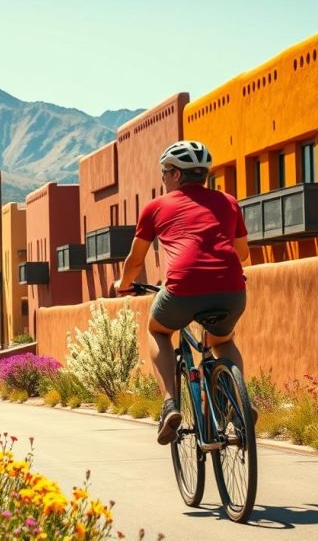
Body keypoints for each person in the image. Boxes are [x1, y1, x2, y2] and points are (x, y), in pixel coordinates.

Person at [113, 140, 250, 445]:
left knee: (157, 330)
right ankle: (239, 404)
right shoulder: (229, 202)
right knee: (222, 340)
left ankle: (170, 405)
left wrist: (123, 286)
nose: (163, 178)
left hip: (182, 287)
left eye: (164, 172)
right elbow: (242, 253)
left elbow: (135, 260)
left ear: (175, 174)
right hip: (231, 288)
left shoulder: (156, 207)